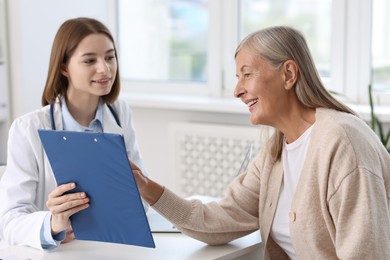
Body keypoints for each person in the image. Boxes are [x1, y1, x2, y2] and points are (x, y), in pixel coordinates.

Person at [131, 26, 390, 259]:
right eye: (236, 77)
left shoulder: (342, 142)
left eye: (247, 74)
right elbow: (219, 220)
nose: (237, 90)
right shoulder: (275, 153)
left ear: (288, 74)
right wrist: (145, 186)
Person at [0, 17, 148, 250]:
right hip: (59, 252)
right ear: (63, 67)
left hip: (112, 247)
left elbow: (140, 196)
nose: (105, 68)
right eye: (90, 60)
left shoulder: (120, 114)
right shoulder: (27, 129)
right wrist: (53, 223)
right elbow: (9, 222)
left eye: (110, 57)